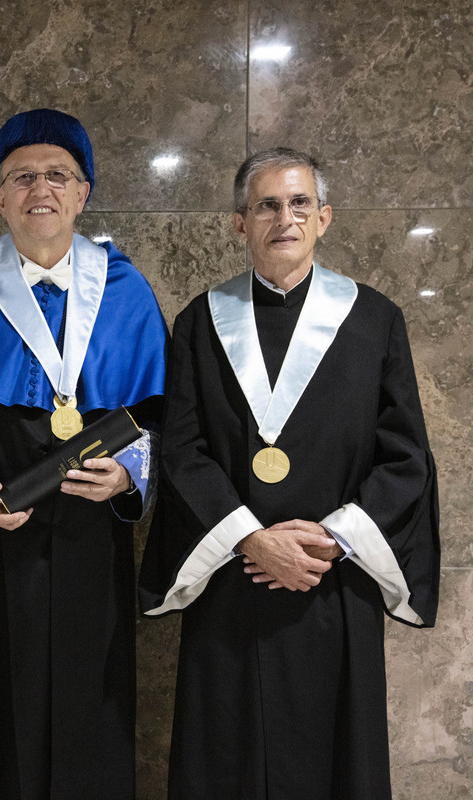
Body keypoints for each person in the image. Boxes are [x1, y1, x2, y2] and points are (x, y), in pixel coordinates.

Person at [139, 148, 441, 799]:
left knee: (334, 760)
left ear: (324, 217)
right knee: (228, 757)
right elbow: (183, 449)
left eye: (299, 202)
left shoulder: (375, 321)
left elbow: (406, 456)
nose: (285, 216)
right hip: (233, 580)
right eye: (267, 204)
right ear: (238, 223)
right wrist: (253, 538)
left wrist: (330, 540)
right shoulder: (200, 322)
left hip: (332, 581)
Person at [0, 109, 167, 799]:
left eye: (56, 175)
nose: (39, 188)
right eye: (21, 176)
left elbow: (166, 420)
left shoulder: (129, 297)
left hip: (92, 550)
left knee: (92, 730)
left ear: (83, 192)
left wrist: (129, 472)